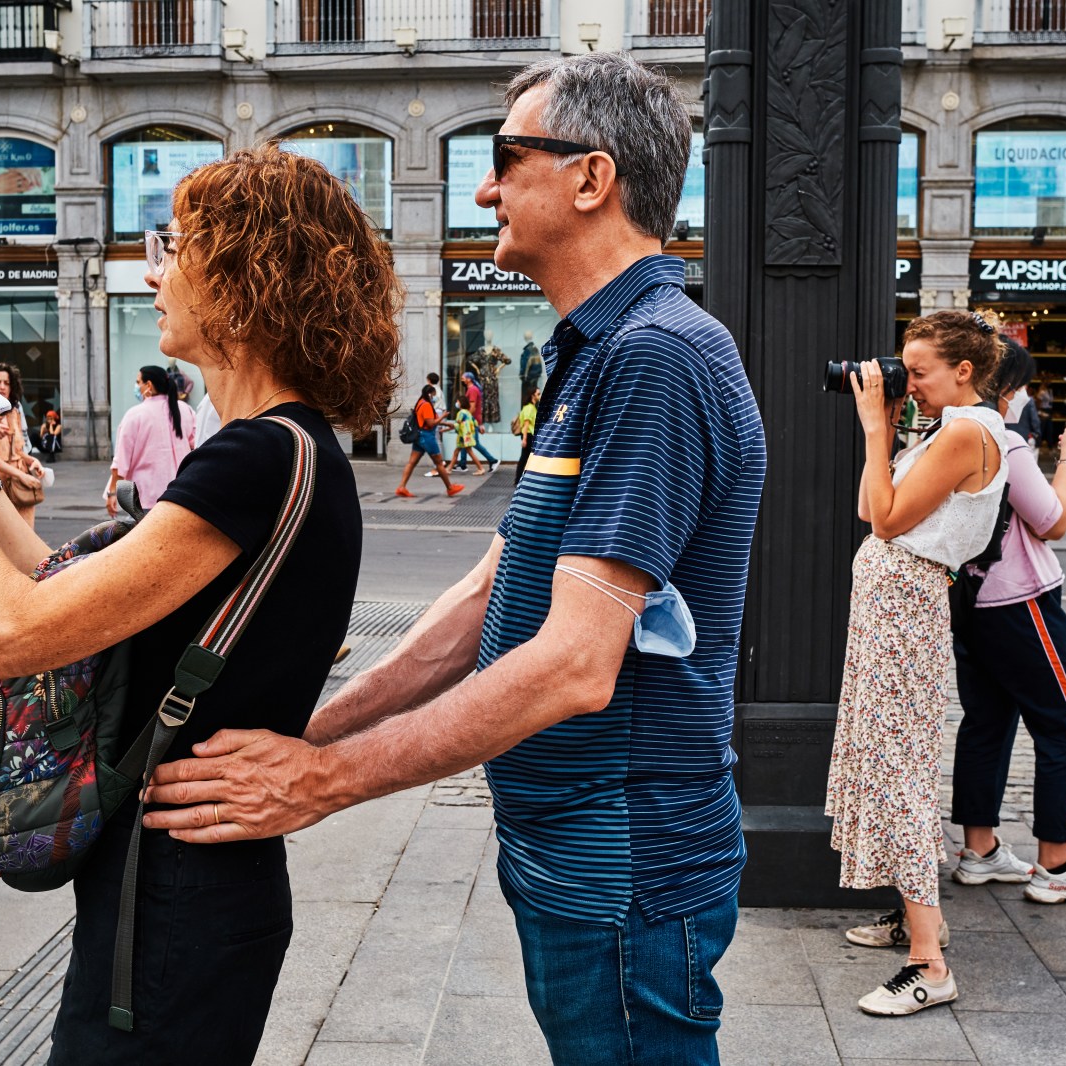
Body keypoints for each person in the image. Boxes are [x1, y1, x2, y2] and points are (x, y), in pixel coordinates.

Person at [139, 53, 766, 1064]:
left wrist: (322, 780)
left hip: (625, 865)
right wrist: (305, 735)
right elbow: (489, 596)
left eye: (507, 155)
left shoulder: (657, 356)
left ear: (590, 179)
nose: (483, 185)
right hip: (572, 853)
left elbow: (573, 662)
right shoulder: (593, 354)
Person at [0, 143, 399, 1063]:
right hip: (185, 883)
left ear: (243, 275)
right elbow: (66, 596)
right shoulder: (284, 449)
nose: (154, 269)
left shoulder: (257, 457)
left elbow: (8, 636)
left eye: (177, 245)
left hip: (178, 892)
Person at [830, 309, 1007, 1017]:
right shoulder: (950, 428)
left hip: (903, 610)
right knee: (884, 758)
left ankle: (928, 963)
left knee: (898, 769)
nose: (911, 382)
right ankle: (913, 915)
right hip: (893, 606)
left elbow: (884, 517)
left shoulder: (967, 430)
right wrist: (894, 427)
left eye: (921, 371)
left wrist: (877, 427)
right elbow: (881, 506)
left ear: (964, 371)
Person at [947, 340, 1066, 906]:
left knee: (987, 722)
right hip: (1019, 600)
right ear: (1008, 388)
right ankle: (1056, 864)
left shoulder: (947, 436)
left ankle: (980, 849)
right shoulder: (1004, 440)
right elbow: (1051, 521)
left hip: (971, 600)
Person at [103, 364, 197, 514]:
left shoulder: (135, 415)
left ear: (149, 385)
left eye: (138, 382)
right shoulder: (185, 410)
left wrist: (112, 492)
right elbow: (196, 445)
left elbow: (121, 461)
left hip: (146, 496)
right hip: (182, 493)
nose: (137, 386)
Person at [0, 362, 45, 528]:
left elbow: (16, 450)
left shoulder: (14, 411)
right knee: (2, 537)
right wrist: (19, 474)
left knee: (27, 533)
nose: (2, 387)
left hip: (19, 484)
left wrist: (31, 461)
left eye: (7, 383)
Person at [394, 382, 462, 497]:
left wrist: (446, 424)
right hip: (427, 436)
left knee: (411, 462)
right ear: (430, 394)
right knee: (439, 462)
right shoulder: (426, 405)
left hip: (420, 436)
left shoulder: (420, 403)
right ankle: (450, 488)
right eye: (434, 394)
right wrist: (443, 416)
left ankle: (401, 487)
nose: (435, 397)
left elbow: (430, 419)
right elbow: (431, 423)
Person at [449, 394, 488, 475]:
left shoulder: (460, 413)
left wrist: (446, 426)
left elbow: (457, 424)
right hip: (467, 436)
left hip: (463, 436)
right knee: (457, 451)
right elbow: (475, 423)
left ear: (460, 403)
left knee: (466, 452)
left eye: (457, 401)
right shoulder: (468, 413)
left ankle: (480, 468)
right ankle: (449, 469)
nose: (456, 403)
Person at [511, 384, 538, 481]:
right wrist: (525, 439)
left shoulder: (530, 407)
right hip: (529, 435)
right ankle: (519, 478)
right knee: (527, 457)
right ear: (533, 395)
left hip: (528, 435)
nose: (539, 396)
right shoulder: (529, 408)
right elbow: (526, 424)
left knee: (526, 457)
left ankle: (519, 478)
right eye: (538, 394)